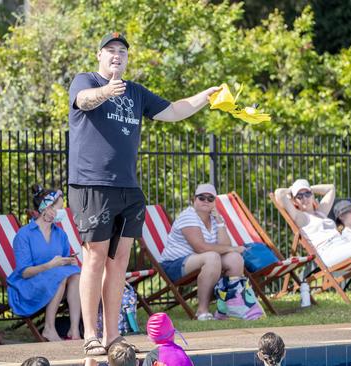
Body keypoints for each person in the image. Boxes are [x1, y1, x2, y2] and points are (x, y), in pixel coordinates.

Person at [68, 32, 221, 355]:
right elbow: (82, 101)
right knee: (94, 257)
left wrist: (205, 97)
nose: (116, 56)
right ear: (99, 56)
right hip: (93, 184)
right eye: (110, 51)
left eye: (121, 52)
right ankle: (90, 335)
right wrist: (106, 91)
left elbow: (174, 110)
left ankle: (112, 336)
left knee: (119, 261)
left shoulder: (135, 92)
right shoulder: (85, 81)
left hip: (129, 188)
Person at [275, 179, 351, 306]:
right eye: (299, 196)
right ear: (295, 201)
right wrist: (293, 190)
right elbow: (279, 193)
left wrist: (308, 187)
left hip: (342, 246)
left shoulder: (320, 212)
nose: (304, 198)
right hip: (327, 252)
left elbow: (331, 188)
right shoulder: (300, 217)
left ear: (312, 195)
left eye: (307, 194)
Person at [7, 185, 81, 342]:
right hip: (26, 286)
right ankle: (49, 328)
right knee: (61, 275)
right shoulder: (24, 235)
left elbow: (64, 263)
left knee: (75, 274)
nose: (62, 212)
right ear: (47, 208)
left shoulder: (60, 234)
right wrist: (51, 265)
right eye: (59, 208)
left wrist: (67, 261)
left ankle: (74, 330)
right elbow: (25, 273)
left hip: (54, 281)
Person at [159, 183, 244, 320]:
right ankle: (202, 310)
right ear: (194, 199)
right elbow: (200, 247)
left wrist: (220, 221)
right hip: (174, 265)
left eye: (210, 198)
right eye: (201, 197)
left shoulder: (213, 219)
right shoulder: (188, 216)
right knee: (212, 257)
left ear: (214, 202)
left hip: (199, 261)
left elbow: (224, 245)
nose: (206, 201)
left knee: (234, 258)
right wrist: (231, 248)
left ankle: (228, 309)